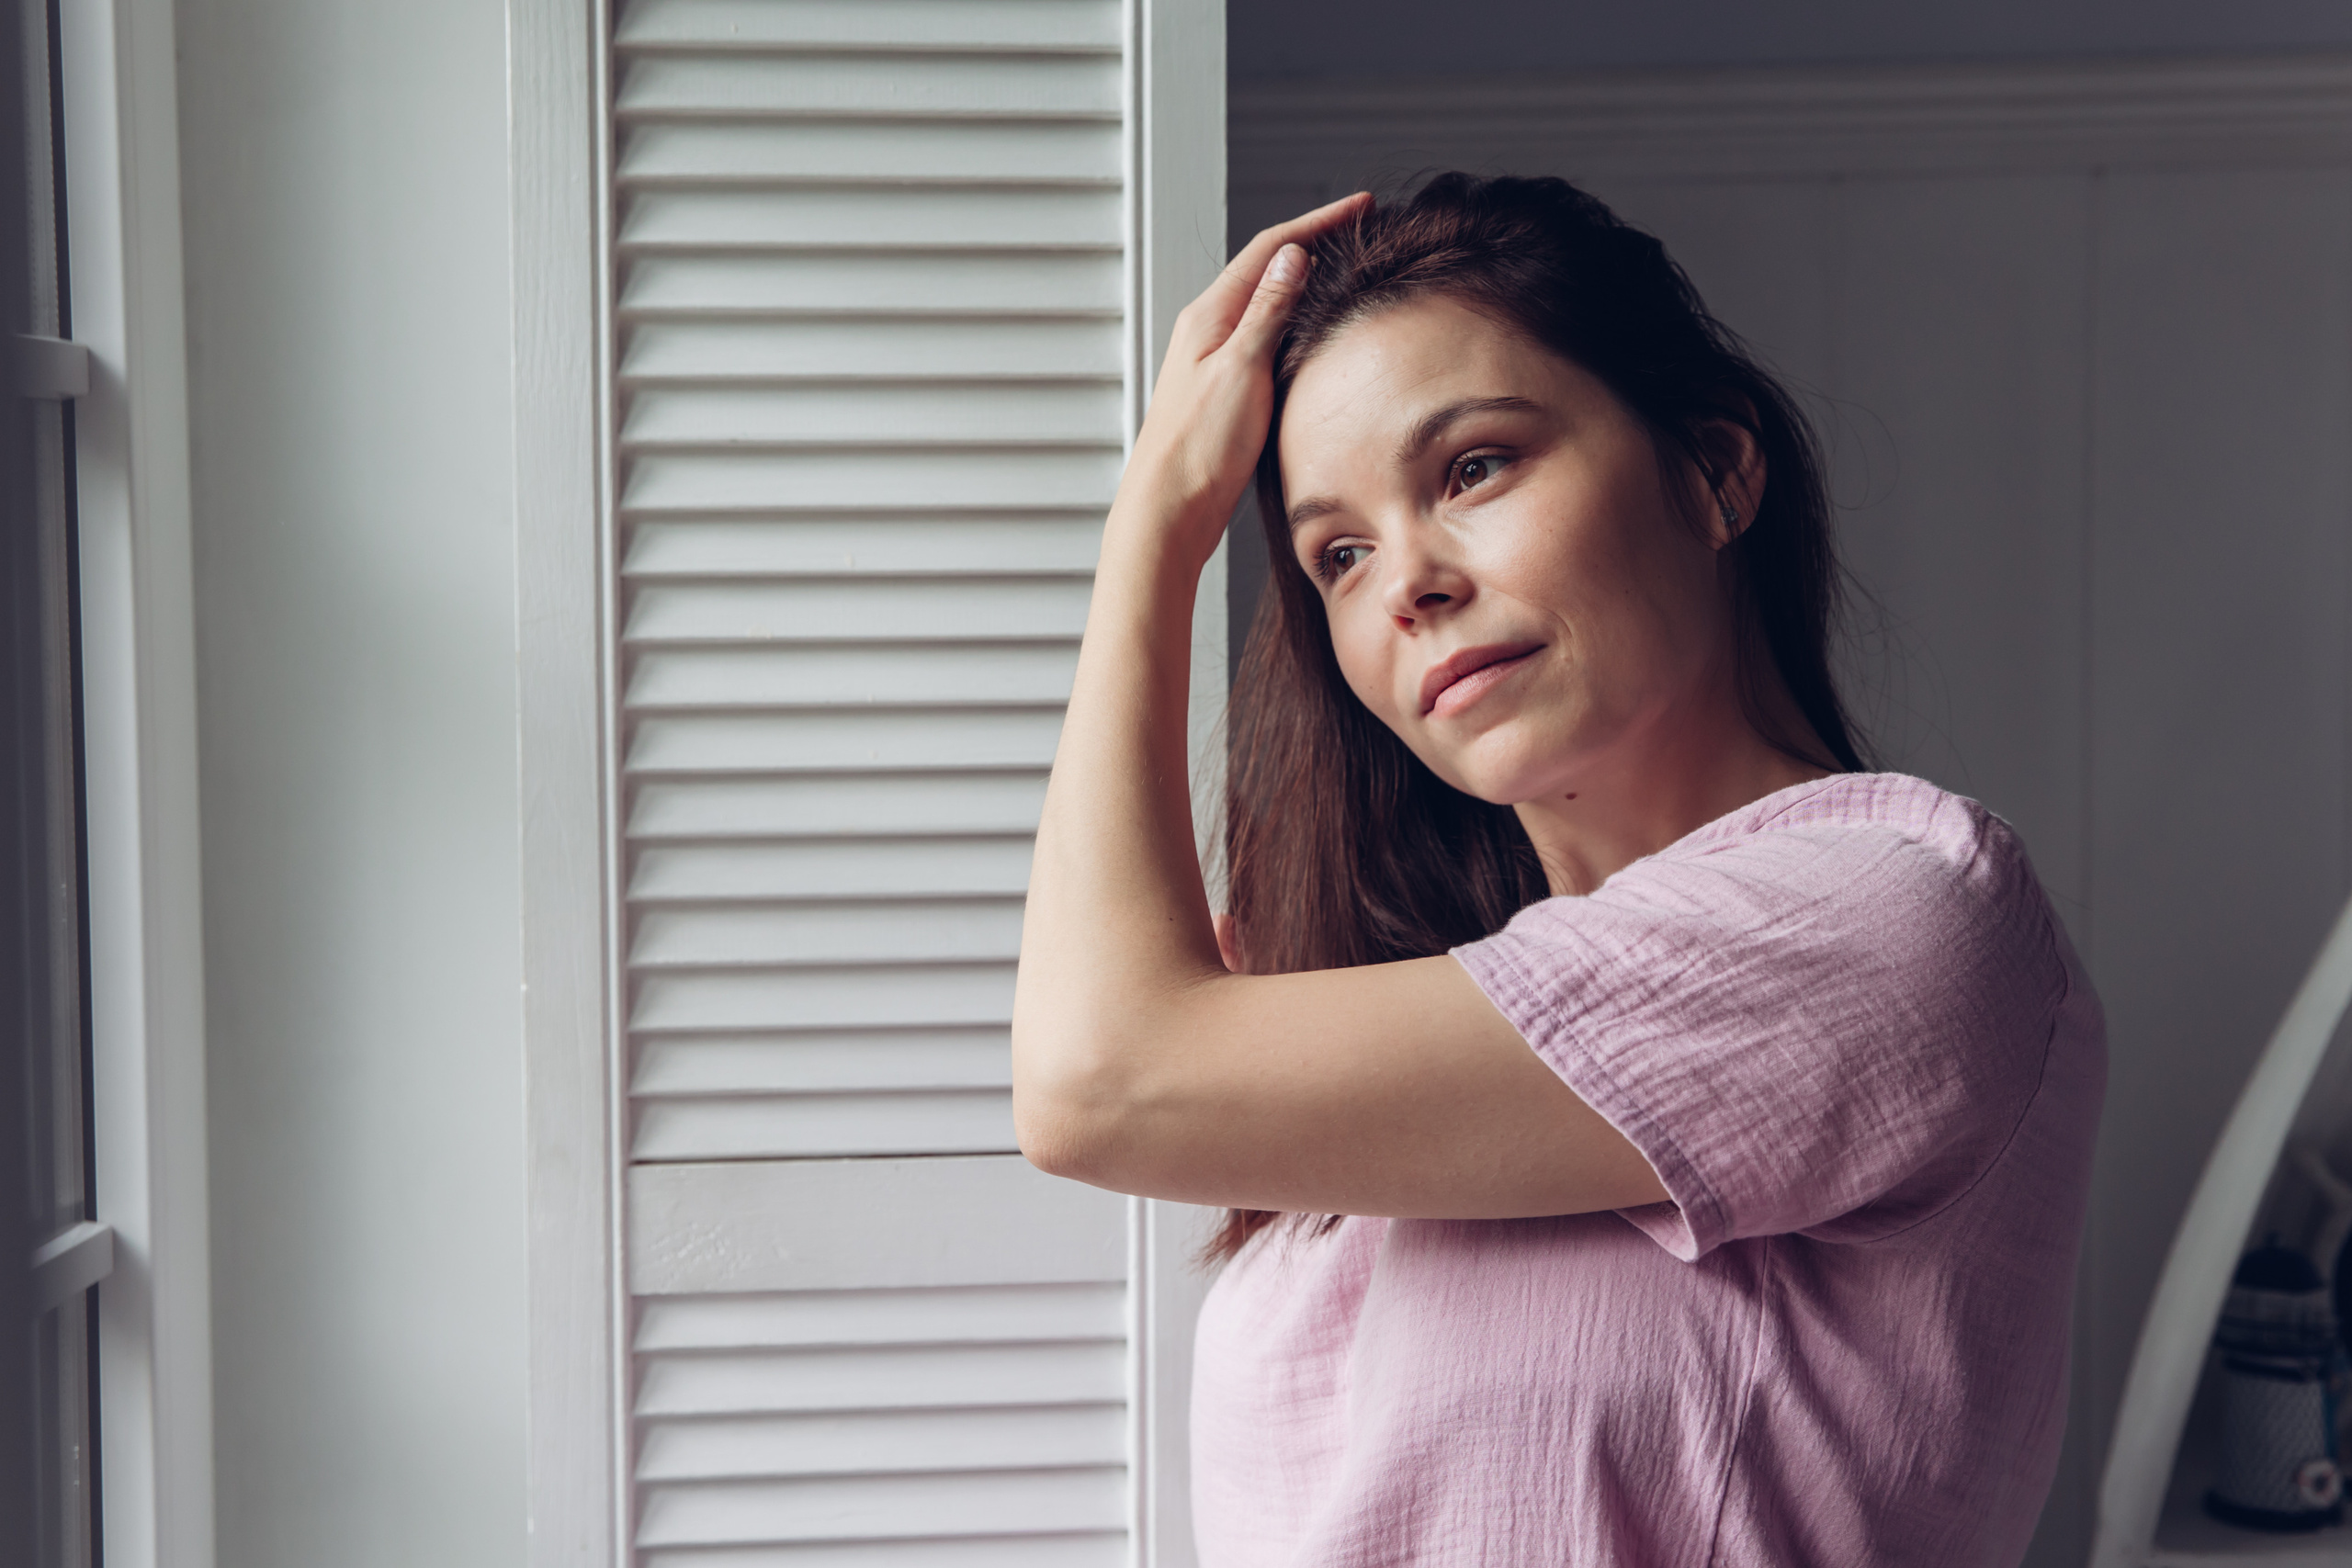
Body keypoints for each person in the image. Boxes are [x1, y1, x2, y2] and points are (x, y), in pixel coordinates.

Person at [1009, 173, 2105, 1566]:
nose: (1407, 578)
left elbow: (1094, 1082)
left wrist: (1158, 528)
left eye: (1472, 468)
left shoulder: (1901, 909)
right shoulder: (1430, 1006)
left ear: (1717, 472)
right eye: (1336, 554)